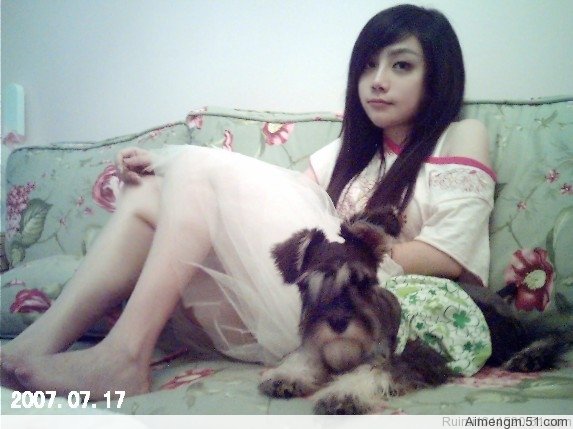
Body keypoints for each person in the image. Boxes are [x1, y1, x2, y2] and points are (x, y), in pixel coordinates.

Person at [1, 4, 495, 398]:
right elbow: (267, 210)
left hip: (368, 307)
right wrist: (169, 173)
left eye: (401, 65)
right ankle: (31, 347)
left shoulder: (460, 135)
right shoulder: (345, 153)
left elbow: (449, 253)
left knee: (195, 176)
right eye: (368, 66)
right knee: (150, 190)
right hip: (304, 307)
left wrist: (351, 261)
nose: (378, 80)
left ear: (437, 77)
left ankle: (124, 357)